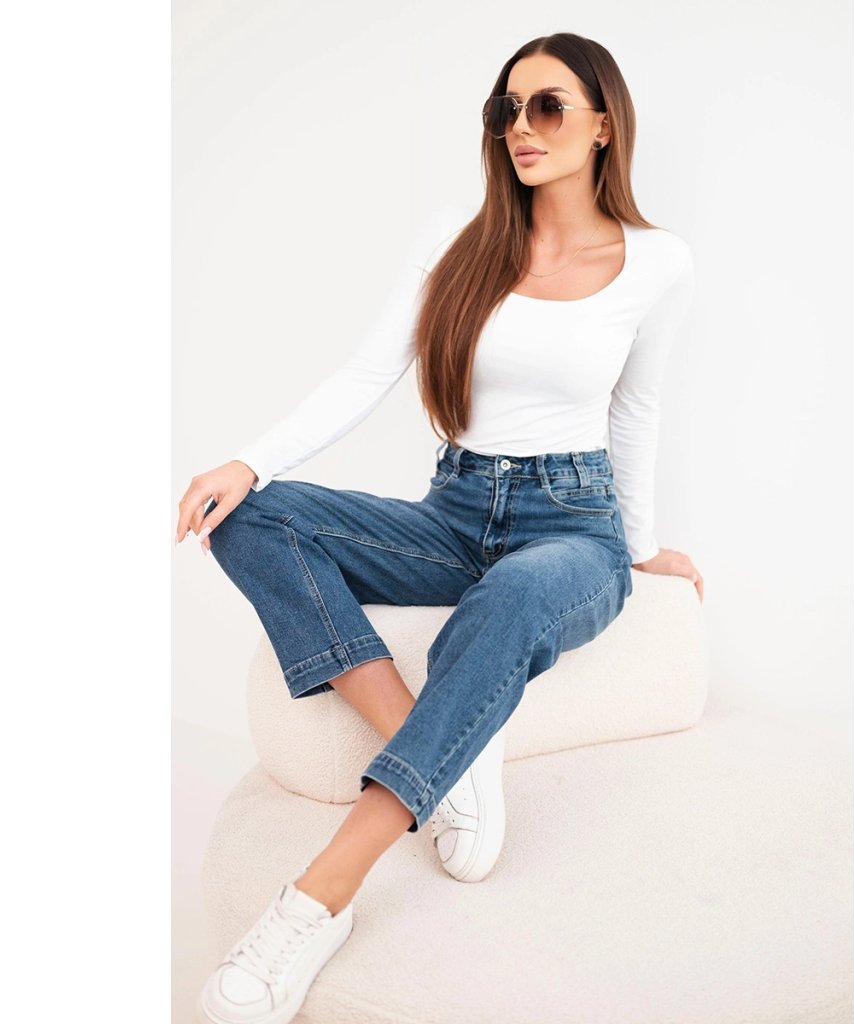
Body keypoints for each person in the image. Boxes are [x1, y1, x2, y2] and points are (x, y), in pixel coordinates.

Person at [177, 31, 702, 1024]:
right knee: (251, 516)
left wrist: (639, 548)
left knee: (515, 593)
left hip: (573, 528)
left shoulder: (658, 263)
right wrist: (249, 460)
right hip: (454, 513)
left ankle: (317, 899)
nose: (521, 127)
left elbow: (636, 411)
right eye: (505, 109)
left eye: (546, 106)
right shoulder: (459, 237)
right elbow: (367, 373)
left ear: (602, 125)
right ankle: (444, 756)